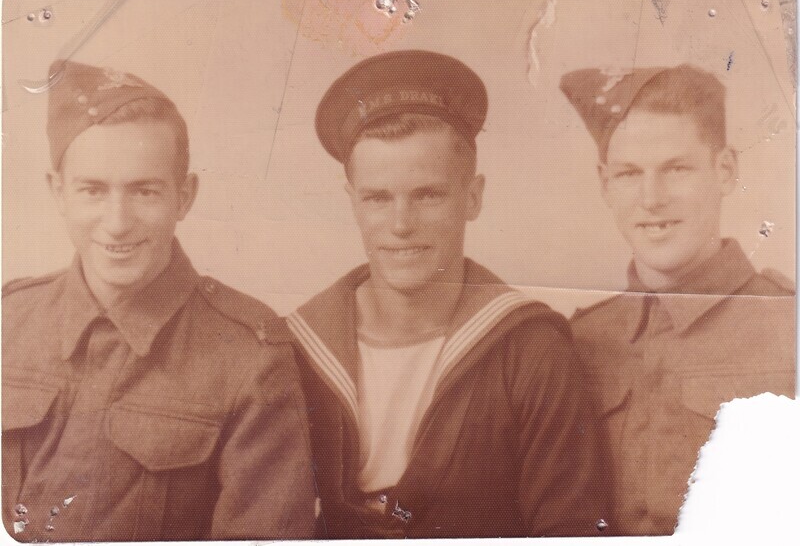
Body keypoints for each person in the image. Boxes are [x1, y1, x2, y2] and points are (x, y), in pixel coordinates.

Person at [270, 50, 608, 538]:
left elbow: (572, 529)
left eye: (428, 195)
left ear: (473, 197)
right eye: (378, 197)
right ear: (352, 202)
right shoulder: (295, 350)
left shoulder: (531, 350)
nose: (401, 225)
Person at [2, 61, 316, 541]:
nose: (117, 221)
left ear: (184, 197)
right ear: (58, 192)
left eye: (144, 191)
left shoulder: (249, 355)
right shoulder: (9, 320)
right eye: (92, 190)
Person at [560, 64, 796, 535]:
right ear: (605, 183)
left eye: (676, 169)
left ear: (725, 170)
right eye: (629, 173)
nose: (652, 198)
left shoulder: (788, 328)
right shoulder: (577, 341)